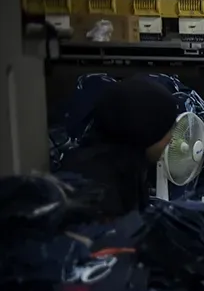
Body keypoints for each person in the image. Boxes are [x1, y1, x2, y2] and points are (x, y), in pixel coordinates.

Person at [56, 76, 181, 220]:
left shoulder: (125, 168)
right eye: (167, 129)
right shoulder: (97, 193)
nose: (171, 138)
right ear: (146, 131)